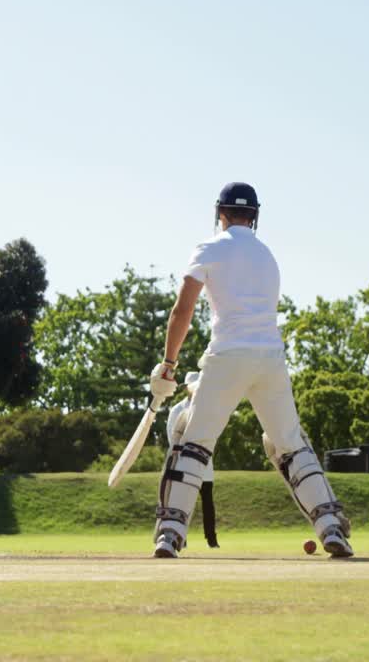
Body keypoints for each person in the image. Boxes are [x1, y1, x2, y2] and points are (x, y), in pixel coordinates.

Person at [149, 182, 352, 559]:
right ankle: (332, 529)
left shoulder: (209, 248)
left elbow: (183, 310)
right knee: (289, 444)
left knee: (193, 441)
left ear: (219, 212)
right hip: (270, 358)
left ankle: (170, 535)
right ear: (254, 216)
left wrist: (169, 363)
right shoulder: (267, 255)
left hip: (228, 355)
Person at [165, 372, 218, 548]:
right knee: (181, 502)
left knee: (208, 505)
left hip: (205, 465)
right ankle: (180, 537)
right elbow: (171, 436)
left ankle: (212, 540)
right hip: (182, 464)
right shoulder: (177, 410)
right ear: (186, 387)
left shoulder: (208, 409)